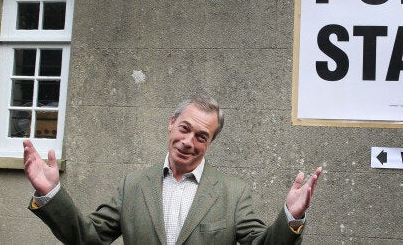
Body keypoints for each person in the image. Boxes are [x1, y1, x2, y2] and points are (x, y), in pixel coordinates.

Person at [23, 95, 322, 244]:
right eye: (184, 128)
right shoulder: (133, 185)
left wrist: (291, 217)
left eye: (201, 136)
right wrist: (52, 193)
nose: (188, 142)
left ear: (210, 143)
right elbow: (87, 237)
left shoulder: (233, 193)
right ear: (171, 123)